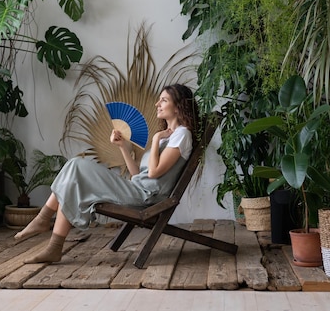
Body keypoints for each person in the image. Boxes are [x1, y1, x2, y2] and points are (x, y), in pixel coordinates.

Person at [14, 83, 199, 264]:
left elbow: (153, 173)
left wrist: (156, 138)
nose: (157, 104)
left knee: (76, 165)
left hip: (147, 197)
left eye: (164, 100)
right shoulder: (170, 135)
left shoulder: (181, 135)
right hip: (137, 189)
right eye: (159, 100)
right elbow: (138, 175)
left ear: (178, 107)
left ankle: (43, 220)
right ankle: (53, 245)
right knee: (73, 178)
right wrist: (123, 148)